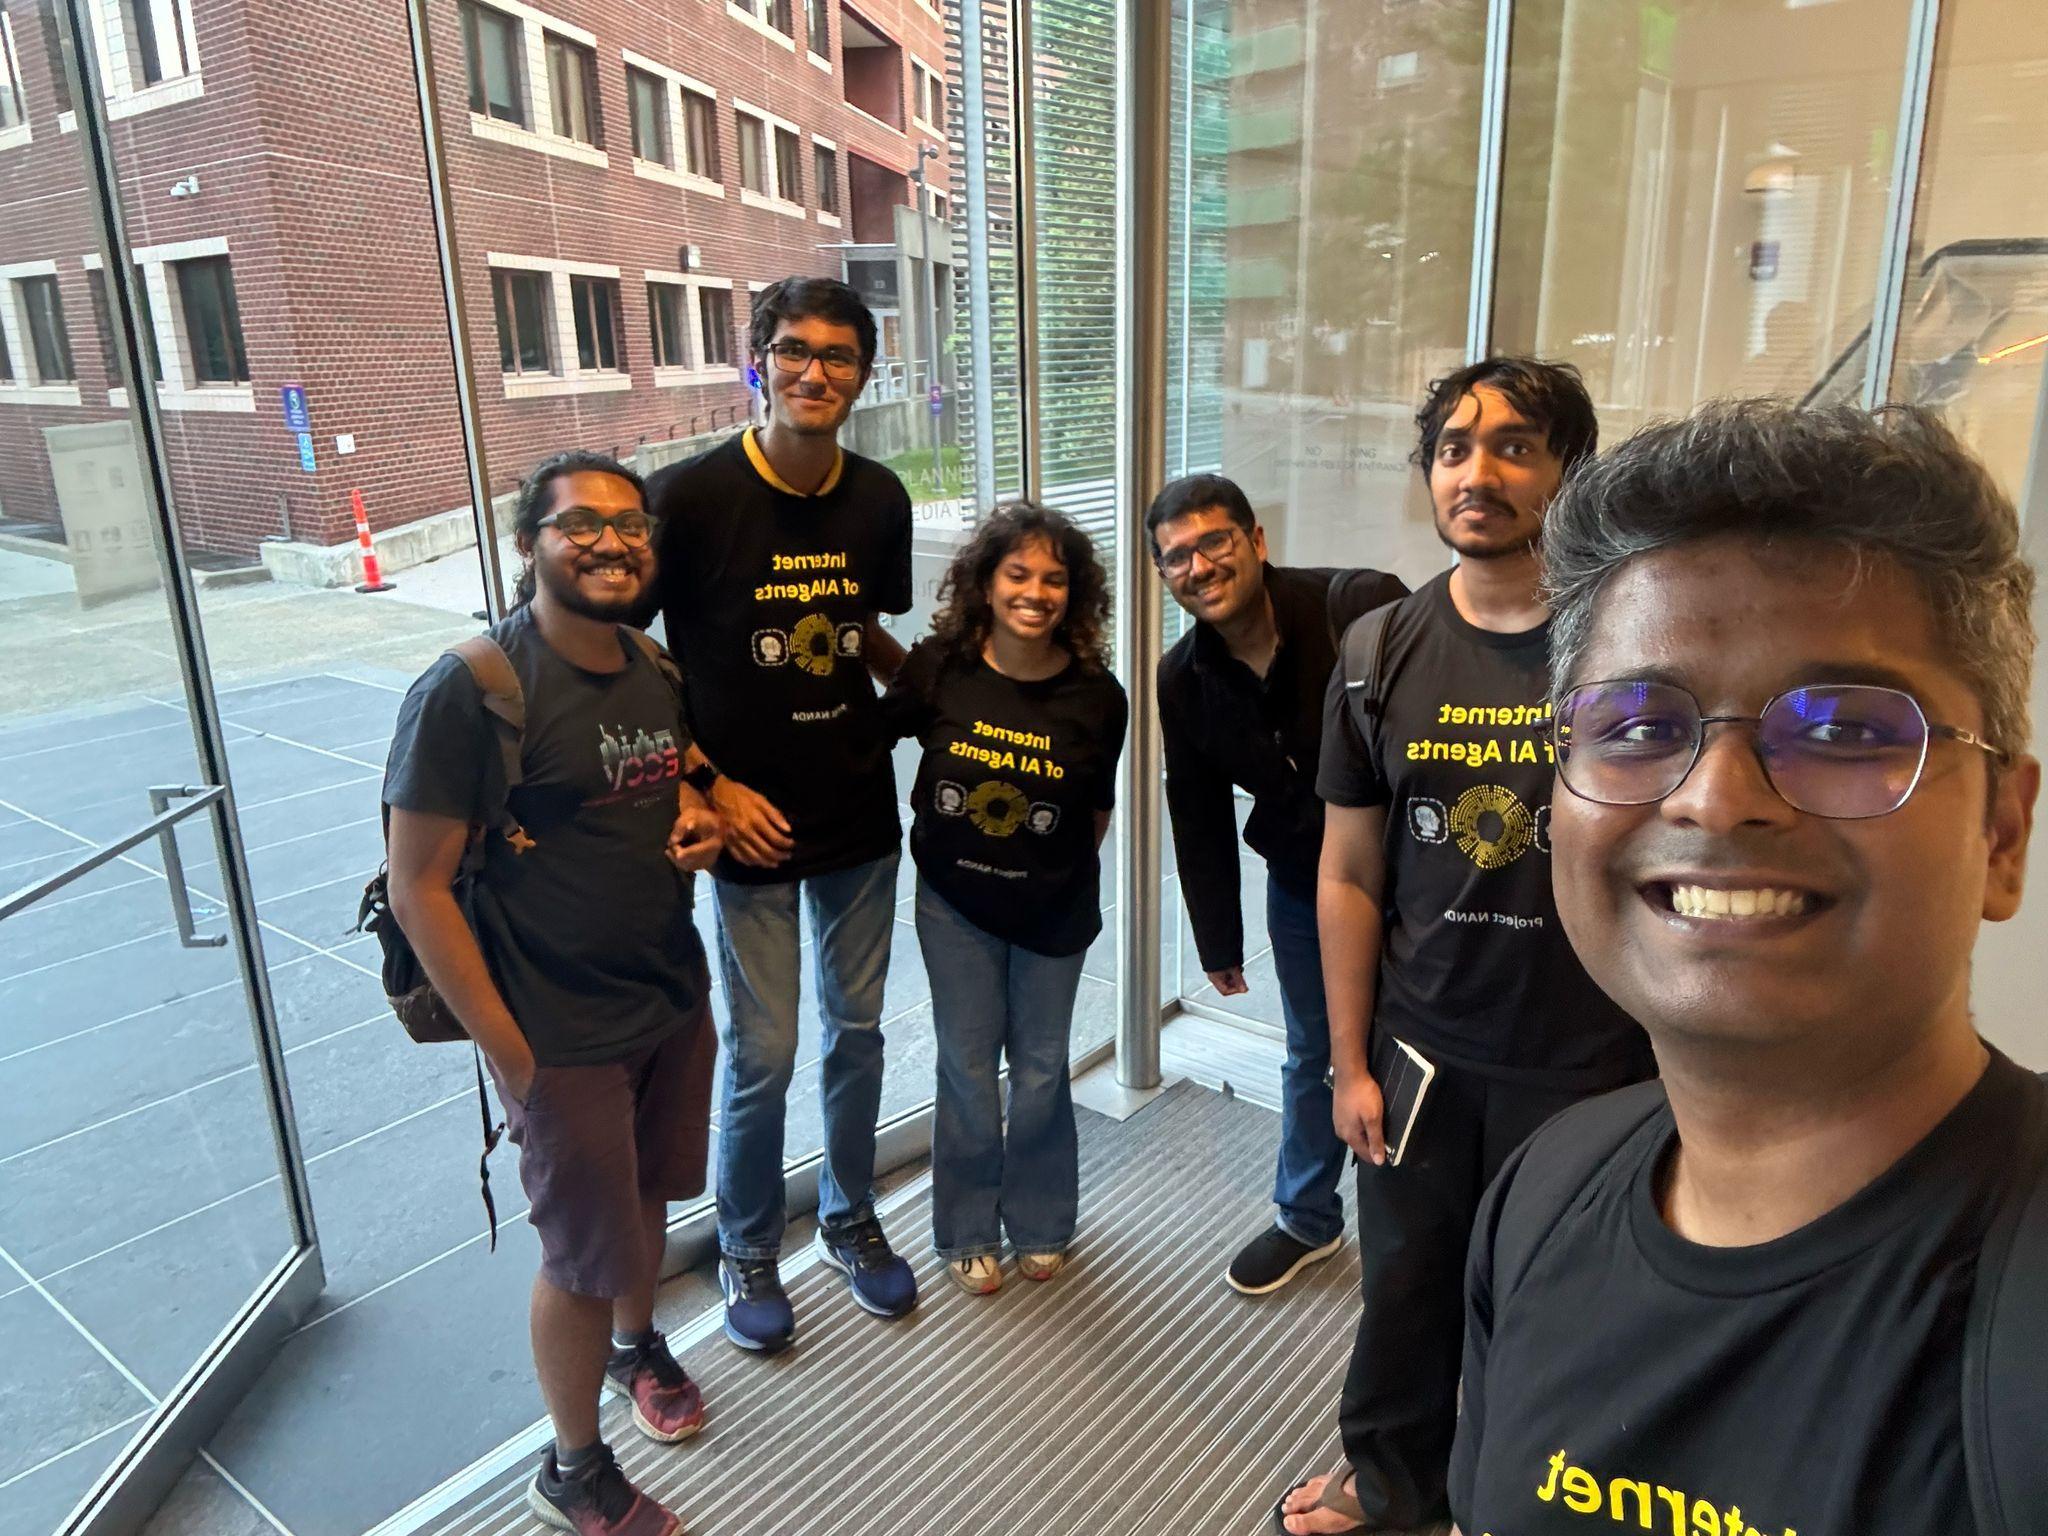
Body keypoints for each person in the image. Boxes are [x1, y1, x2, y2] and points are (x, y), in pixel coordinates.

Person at [1451, 402, 2048, 1534]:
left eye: (1842, 729)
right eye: (1632, 723)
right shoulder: (1543, 1192)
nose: (1713, 797)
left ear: (2000, 838)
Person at [1278, 359, 1655, 1534]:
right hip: (1423, 1047)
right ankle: (1389, 1483)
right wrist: (1347, 1064)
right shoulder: (1376, 650)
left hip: (1590, 1053)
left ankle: (1517, 1493)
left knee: (1558, 1299)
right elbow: (1346, 875)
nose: (1475, 471)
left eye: (1511, 446)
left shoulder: (1628, 645)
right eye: (1451, 446)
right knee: (1401, 1285)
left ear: (1566, 473)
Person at [384, 451, 720, 1536]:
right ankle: (573, 1468)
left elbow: (657, 800)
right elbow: (418, 884)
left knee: (650, 1197)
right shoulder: (473, 687)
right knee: (580, 1258)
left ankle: (639, 1347)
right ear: (529, 540)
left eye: (630, 524)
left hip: (666, 992)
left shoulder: (651, 669)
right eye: (581, 524)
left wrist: (700, 824)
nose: (611, 541)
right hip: (557, 1028)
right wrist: (511, 1054)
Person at [647, 276, 917, 1353]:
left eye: (839, 356)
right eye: (794, 352)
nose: (815, 373)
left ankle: (850, 1218)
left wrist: (956, 701)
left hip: (854, 803)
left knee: (855, 1033)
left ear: (863, 372)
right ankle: (746, 1242)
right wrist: (704, 785)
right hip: (745, 822)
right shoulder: (688, 498)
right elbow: (630, 663)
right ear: (754, 362)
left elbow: (858, 630)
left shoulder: (879, 498)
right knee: (762, 1052)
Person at [1148, 472, 1407, 1295]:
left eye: (1214, 542)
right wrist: (1216, 938)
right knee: (1316, 1050)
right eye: (1176, 557)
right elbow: (1194, 807)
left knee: (1425, 1045)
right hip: (1302, 881)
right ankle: (1307, 1218)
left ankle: (1426, 1223)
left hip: (1417, 871)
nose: (1199, 566)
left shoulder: (1359, 607)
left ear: (1256, 540)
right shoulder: (1181, 675)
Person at [883, 504, 1128, 1295]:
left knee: (1040, 1069)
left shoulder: (1098, 695)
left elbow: (1096, 809)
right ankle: (965, 1229)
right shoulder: (940, 670)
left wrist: (1040, 876)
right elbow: (864, 740)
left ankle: (1043, 1221)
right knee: (964, 1065)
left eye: (1054, 579)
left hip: (1054, 911)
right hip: (953, 907)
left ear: (1075, 595)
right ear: (984, 585)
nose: (1035, 591)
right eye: (1017, 574)